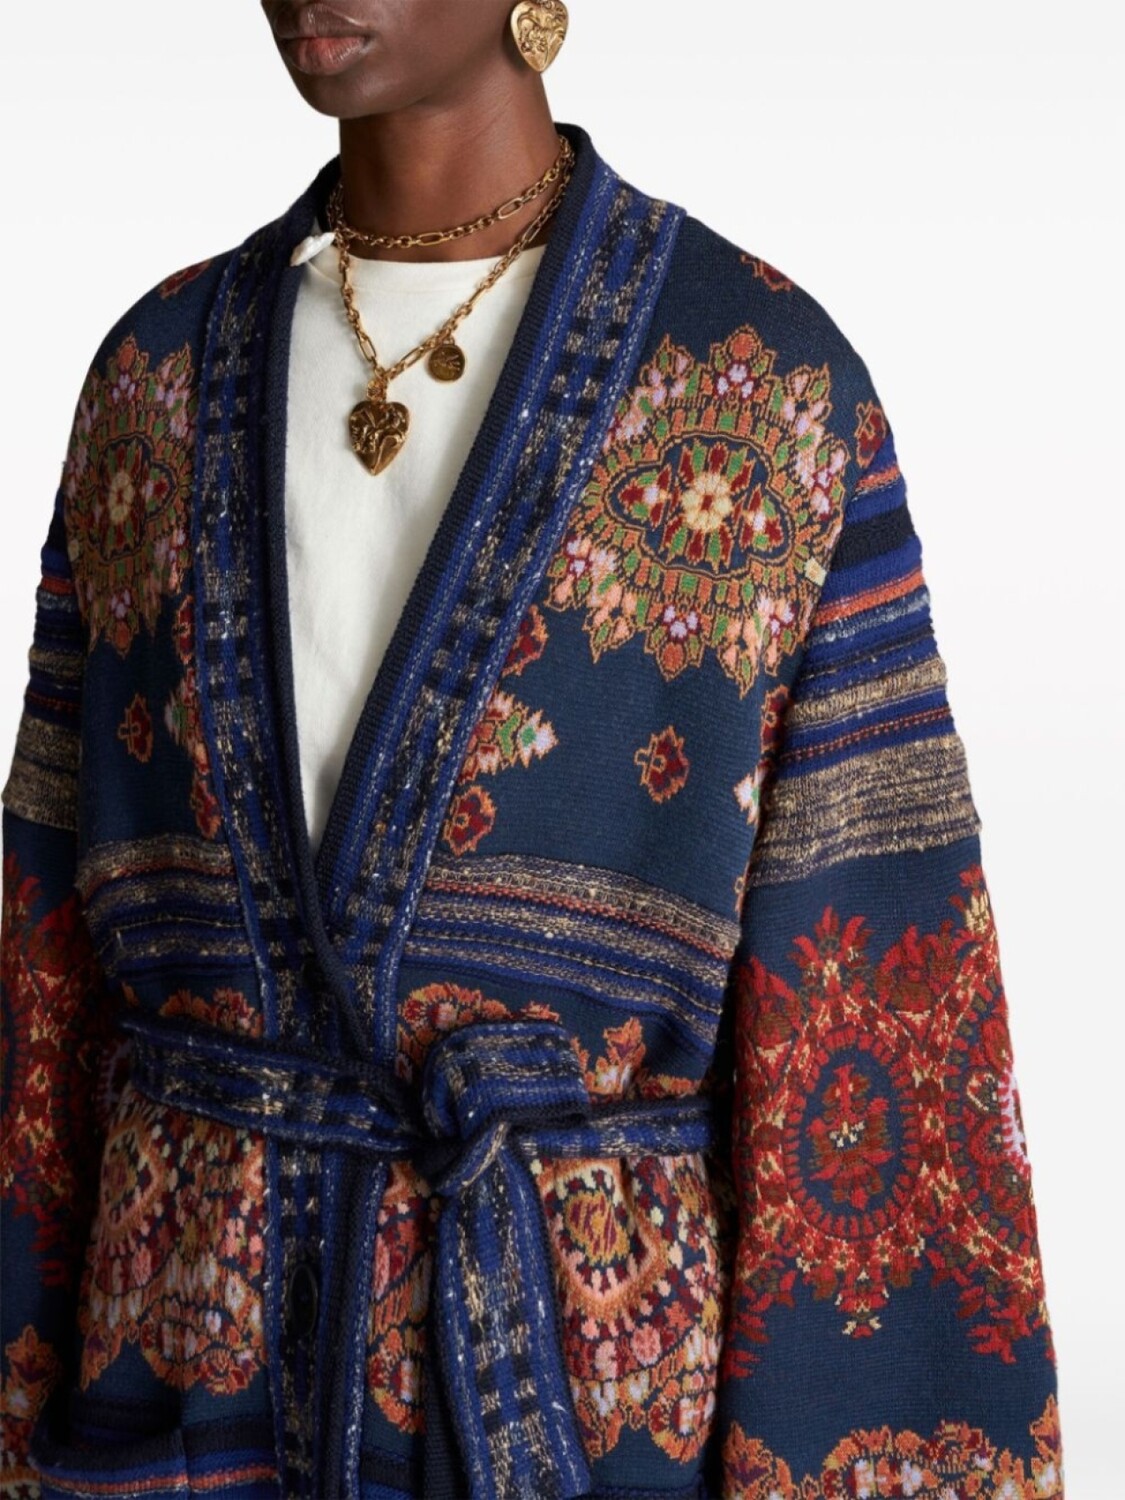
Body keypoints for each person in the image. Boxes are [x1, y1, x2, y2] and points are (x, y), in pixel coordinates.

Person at [0, 2, 1065, 1497]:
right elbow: (44, 967)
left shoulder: (763, 388)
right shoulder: (152, 380)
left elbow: (877, 1025)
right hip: (179, 1369)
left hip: (576, 1394)